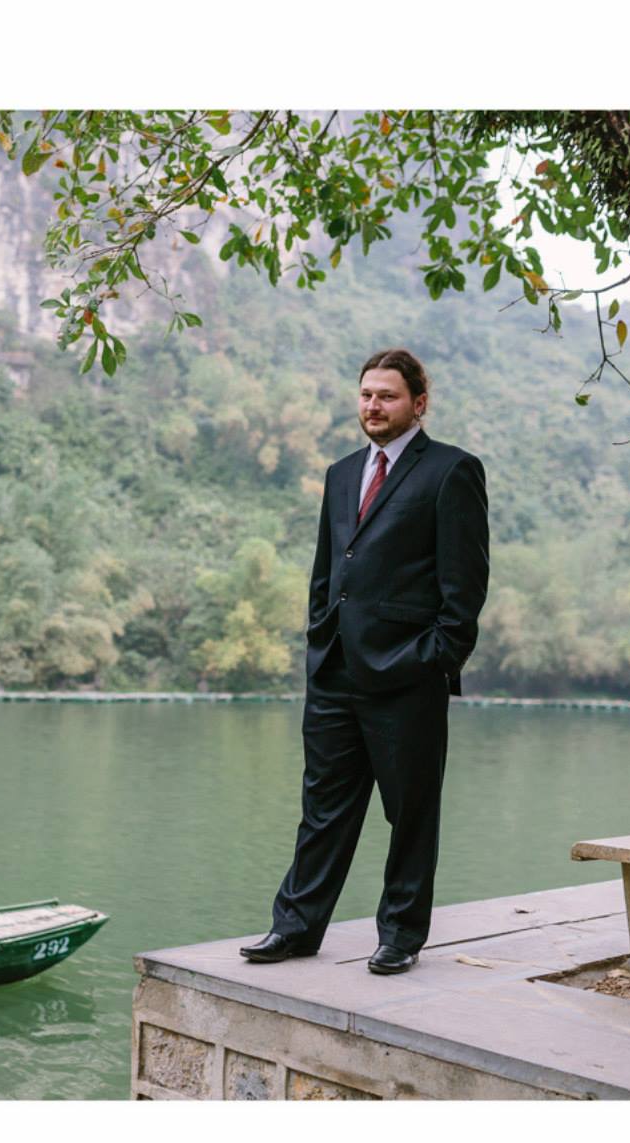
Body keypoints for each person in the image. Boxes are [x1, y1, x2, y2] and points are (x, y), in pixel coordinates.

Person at [242, 348, 489, 976]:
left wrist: (434, 659)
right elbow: (328, 573)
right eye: (366, 395)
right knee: (322, 809)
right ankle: (295, 929)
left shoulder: (451, 471)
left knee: (409, 813)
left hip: (407, 675)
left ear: (419, 404)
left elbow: (464, 588)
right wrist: (318, 644)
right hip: (334, 673)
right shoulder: (341, 472)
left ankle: (400, 935)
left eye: (388, 396)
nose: (373, 406)